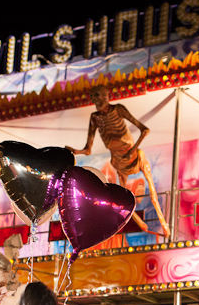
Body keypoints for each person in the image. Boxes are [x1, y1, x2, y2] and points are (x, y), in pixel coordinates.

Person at [66, 85, 171, 237]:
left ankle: (163, 223)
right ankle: (139, 222)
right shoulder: (94, 118)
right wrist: (76, 152)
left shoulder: (119, 109)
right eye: (93, 97)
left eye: (99, 95)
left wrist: (133, 150)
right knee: (124, 195)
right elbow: (88, 149)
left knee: (149, 185)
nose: (96, 100)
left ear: (107, 96)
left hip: (133, 155)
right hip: (117, 160)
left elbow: (144, 130)